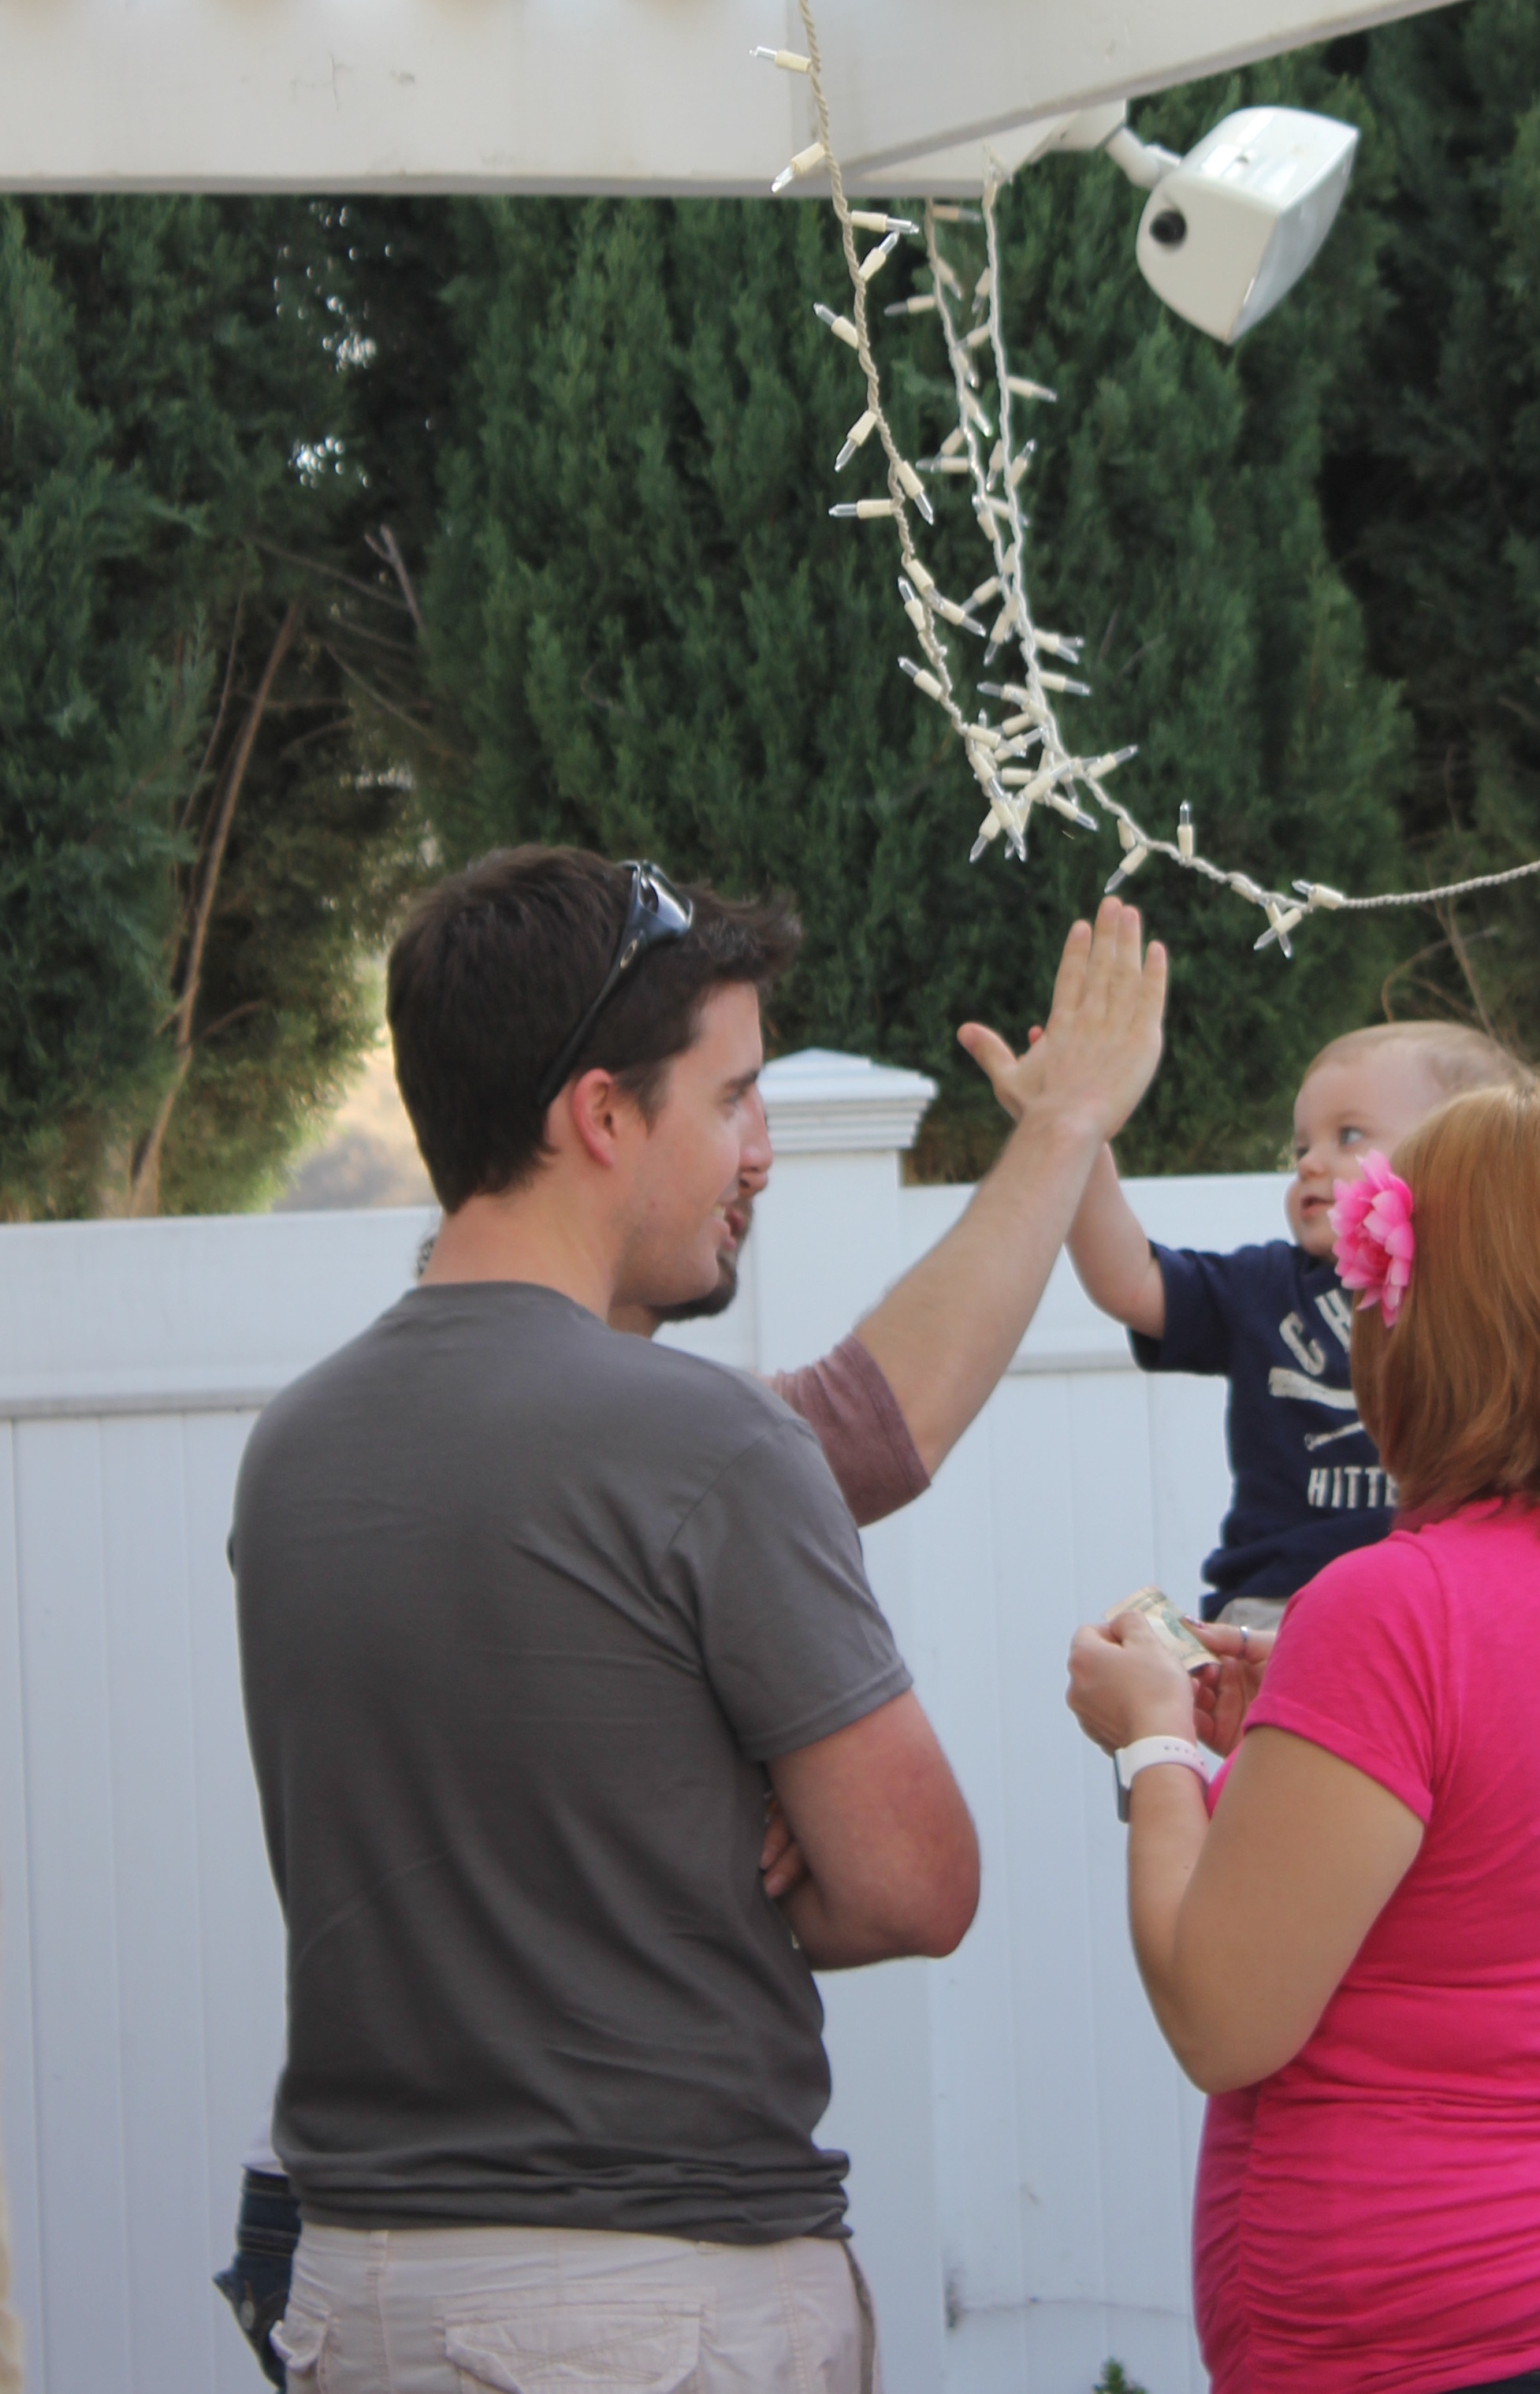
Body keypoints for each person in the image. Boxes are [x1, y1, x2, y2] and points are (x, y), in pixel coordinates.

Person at [232, 846, 1164, 2394]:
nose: (763, 1151)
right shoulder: (697, 1448)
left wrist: (1063, 1132)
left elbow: (858, 1425)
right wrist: (742, 1816)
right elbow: (917, 1883)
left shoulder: (300, 1445)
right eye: (732, 1097)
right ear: (602, 1115)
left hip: (354, 2290)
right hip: (637, 2306)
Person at [1068, 1074, 1540, 2394]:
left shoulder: (1392, 1605)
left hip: (1426, 2324)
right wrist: (1311, 1723)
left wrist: (1155, 1747)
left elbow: (1221, 2018)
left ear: (1420, 1333)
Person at [995, 1017, 1519, 1622]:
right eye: (1301, 1148)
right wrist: (1074, 1136)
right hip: (1279, 1609)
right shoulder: (1264, 1286)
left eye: (1348, 1135)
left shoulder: (1495, 1301)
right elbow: (1130, 1282)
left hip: (1441, 1608)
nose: (1310, 1163)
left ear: (1462, 1154)